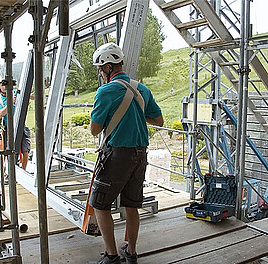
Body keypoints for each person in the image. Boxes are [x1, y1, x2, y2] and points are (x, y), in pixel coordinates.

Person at [89, 43, 164, 264]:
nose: (101, 74)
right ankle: (131, 252)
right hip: (140, 155)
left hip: (117, 156)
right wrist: (136, 115)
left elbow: (95, 129)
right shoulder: (142, 89)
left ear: (109, 67)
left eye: (101, 69)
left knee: (100, 205)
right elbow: (158, 121)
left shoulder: (106, 91)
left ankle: (112, 256)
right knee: (132, 205)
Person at [0, 76, 31, 170]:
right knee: (8, 151)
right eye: (3, 85)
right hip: (8, 128)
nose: (5, 87)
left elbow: (29, 96)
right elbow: (0, 114)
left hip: (20, 125)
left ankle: (24, 170)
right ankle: (8, 171)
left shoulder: (15, 93)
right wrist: (10, 103)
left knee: (25, 150)